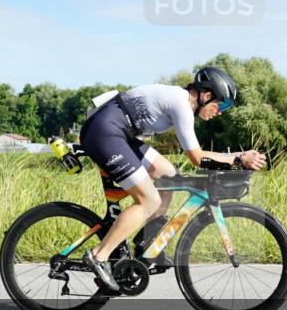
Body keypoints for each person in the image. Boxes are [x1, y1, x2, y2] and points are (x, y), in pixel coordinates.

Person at [78, 66, 266, 291]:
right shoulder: (181, 104)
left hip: (117, 131)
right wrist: (238, 158)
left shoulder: (181, 100)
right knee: (149, 201)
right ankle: (99, 256)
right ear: (206, 96)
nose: (221, 111)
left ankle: (145, 244)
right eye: (222, 104)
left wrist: (236, 157)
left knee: (169, 177)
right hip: (104, 132)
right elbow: (197, 158)